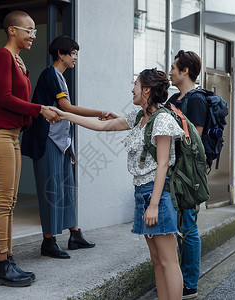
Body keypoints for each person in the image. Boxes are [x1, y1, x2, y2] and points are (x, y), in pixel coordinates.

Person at [50, 68, 184, 299]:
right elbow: (102, 126)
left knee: (169, 261)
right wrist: (64, 115)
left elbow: (163, 165)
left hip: (156, 195)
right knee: (156, 260)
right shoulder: (139, 118)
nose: (132, 88)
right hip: (143, 193)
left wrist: (153, 205)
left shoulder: (161, 119)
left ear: (147, 90)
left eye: (136, 84)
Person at [0, 10, 60, 287]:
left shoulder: (17, 60)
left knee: (10, 203)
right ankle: (0, 266)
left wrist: (35, 111)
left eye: (34, 31)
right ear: (12, 30)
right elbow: (5, 99)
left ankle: (8, 258)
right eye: (29, 30)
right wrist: (40, 109)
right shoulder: (2, 55)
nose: (33, 35)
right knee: (3, 203)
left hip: (12, 135)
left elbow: (17, 100)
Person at [21, 36, 103, 259]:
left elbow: (64, 113)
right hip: (46, 141)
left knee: (67, 189)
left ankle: (74, 234)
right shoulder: (51, 74)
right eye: (73, 53)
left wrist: (71, 148)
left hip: (61, 143)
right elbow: (65, 108)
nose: (75, 58)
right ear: (61, 54)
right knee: (51, 191)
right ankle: (48, 241)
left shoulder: (59, 77)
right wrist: (99, 113)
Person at [167, 50, 207, 299]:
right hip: (173, 168)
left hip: (188, 173)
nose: (170, 71)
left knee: (188, 226)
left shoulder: (197, 100)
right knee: (178, 226)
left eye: (173, 67)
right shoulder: (173, 98)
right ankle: (178, 277)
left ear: (185, 71)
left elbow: (196, 140)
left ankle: (189, 282)